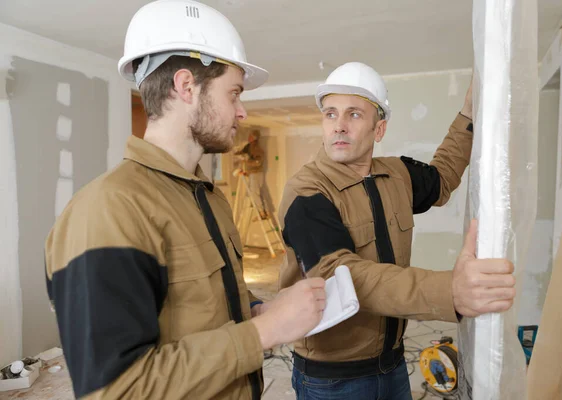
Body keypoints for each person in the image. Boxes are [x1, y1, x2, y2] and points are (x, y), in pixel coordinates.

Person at [44, 1, 325, 399]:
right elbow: (116, 390)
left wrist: (261, 311)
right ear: (186, 87)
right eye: (234, 94)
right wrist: (264, 332)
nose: (242, 112)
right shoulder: (108, 210)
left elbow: (207, 306)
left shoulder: (207, 198)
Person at [278, 62, 517, 400]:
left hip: (391, 363)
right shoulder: (307, 191)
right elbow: (340, 275)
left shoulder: (396, 175)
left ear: (380, 129)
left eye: (354, 115)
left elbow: (443, 177)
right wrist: (449, 290)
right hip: (334, 379)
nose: (339, 127)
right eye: (330, 114)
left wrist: (468, 114)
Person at [234, 130, 268, 218]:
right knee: (256, 193)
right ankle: (264, 211)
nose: (248, 138)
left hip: (256, 173)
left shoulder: (257, 149)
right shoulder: (249, 146)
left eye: (251, 137)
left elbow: (258, 162)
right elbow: (241, 152)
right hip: (252, 173)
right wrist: (234, 152)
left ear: (255, 138)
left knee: (254, 193)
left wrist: (246, 161)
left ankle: (261, 212)